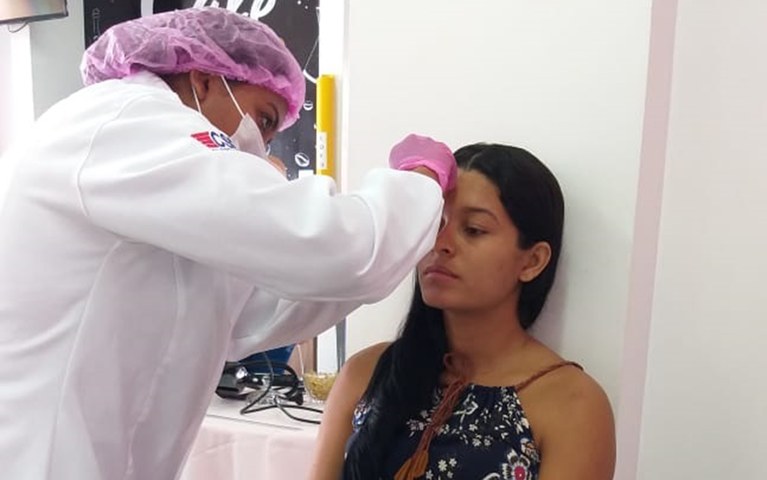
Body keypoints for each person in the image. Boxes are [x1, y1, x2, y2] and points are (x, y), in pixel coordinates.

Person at [0, 8, 458, 480]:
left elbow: (251, 314)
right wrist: (418, 182)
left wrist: (397, 240)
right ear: (203, 80)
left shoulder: (154, 184)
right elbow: (330, 248)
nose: (260, 147)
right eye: (263, 119)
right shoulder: (128, 121)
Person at [311, 144, 616, 480]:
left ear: (533, 261)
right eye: (434, 224)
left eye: (473, 229)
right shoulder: (366, 374)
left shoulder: (570, 403)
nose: (440, 244)